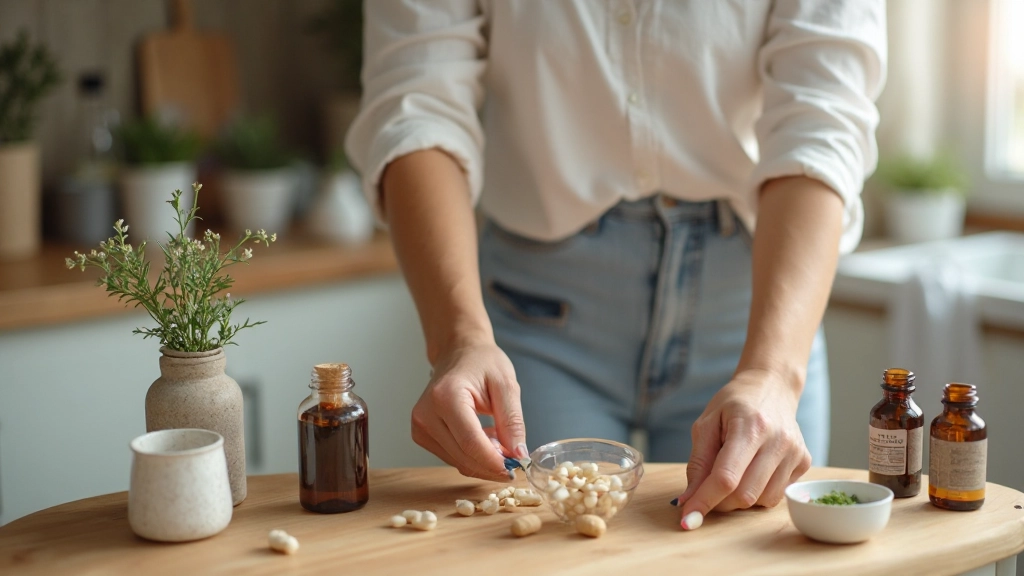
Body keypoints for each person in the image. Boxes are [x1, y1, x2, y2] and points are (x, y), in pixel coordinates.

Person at [345, 1, 886, 520]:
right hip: (539, 314)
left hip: (755, 305)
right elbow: (418, 101)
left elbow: (822, 118)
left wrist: (773, 371)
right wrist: (458, 338)